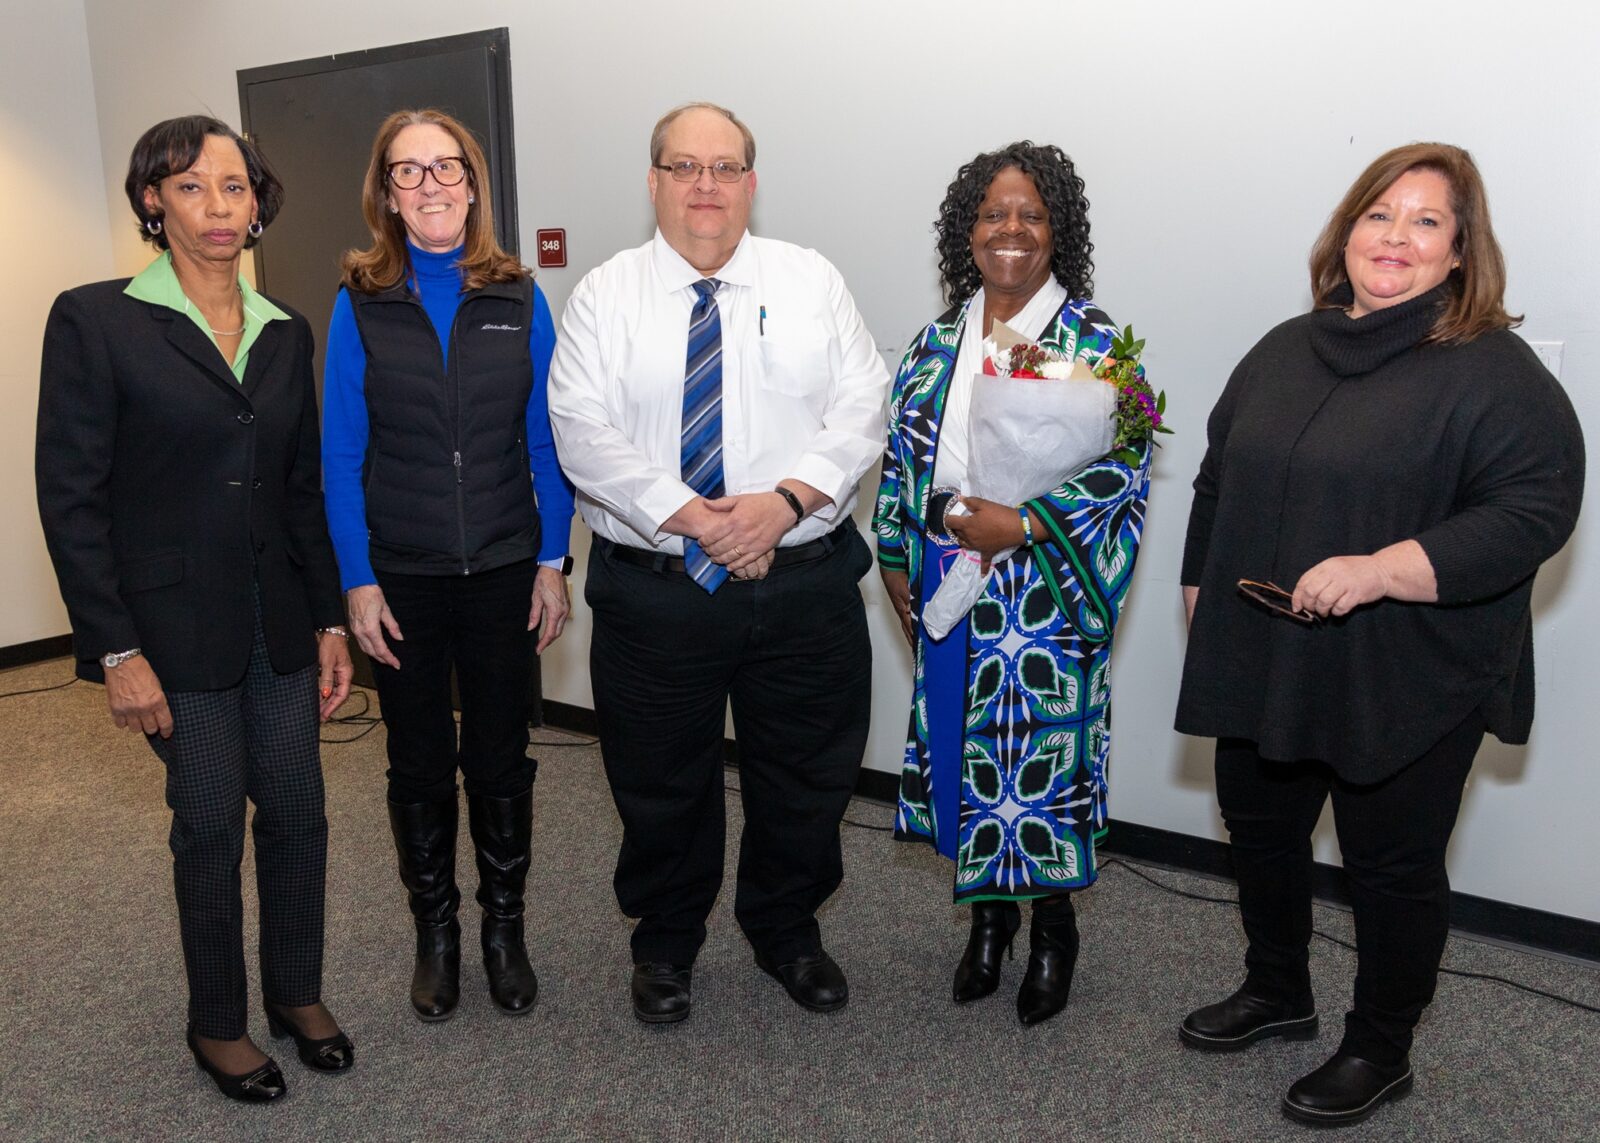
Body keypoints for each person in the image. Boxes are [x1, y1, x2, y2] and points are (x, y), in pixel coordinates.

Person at [1175, 142, 1584, 1127]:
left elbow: (1534, 509)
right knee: (1261, 828)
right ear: (1345, 232)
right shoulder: (1286, 345)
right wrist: (1199, 590)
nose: (1395, 237)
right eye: (1378, 215)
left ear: (1458, 253)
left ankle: (1379, 1047)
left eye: (1425, 221)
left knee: (1389, 866)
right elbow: (1217, 475)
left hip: (1407, 670)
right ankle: (1278, 991)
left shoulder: (1493, 372)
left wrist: (1379, 569)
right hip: (1267, 653)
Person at [36, 116, 355, 1102]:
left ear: (258, 204)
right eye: (190, 189)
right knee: (210, 820)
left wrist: (333, 621)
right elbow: (71, 495)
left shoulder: (285, 328)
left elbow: (300, 490)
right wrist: (114, 649)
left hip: (280, 622)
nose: (217, 210)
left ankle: (296, 994)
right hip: (170, 634)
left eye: (234, 188)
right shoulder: (97, 320)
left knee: (299, 810)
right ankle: (217, 1022)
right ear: (152, 203)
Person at [548, 101, 888, 1024]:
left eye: (726, 167)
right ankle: (665, 939)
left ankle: (786, 929)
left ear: (751, 182)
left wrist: (781, 506)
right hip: (657, 593)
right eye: (685, 167)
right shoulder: (604, 296)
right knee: (659, 779)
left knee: (810, 772)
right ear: (654, 181)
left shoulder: (809, 279)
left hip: (804, 584)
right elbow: (582, 431)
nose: (707, 186)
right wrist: (698, 518)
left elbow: (864, 404)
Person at [873, 142, 1154, 1026]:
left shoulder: (1097, 344)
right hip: (949, 577)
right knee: (966, 753)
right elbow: (901, 457)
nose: (1011, 228)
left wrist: (1028, 523)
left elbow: (1130, 468)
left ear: (1056, 230)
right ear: (968, 231)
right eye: (994, 212)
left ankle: (1053, 929)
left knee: (1038, 758)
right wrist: (890, 552)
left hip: (1043, 594)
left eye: (1031, 212)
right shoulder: (932, 342)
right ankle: (986, 923)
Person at [322, 109, 574, 1023]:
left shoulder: (518, 295)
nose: (429, 186)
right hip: (406, 576)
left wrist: (554, 558)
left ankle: (504, 931)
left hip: (508, 566)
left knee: (501, 761)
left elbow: (548, 442)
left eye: (445, 167)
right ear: (385, 194)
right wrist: (358, 578)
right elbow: (340, 455)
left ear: (474, 181)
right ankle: (437, 935)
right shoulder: (359, 302)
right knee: (419, 762)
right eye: (407, 172)